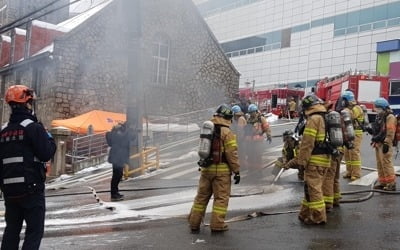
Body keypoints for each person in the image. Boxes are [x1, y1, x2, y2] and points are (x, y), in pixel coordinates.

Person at [0, 85, 57, 250]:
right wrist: (49, 137)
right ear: (27, 103)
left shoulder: (3, 130)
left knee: (12, 230)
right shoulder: (33, 127)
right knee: (34, 232)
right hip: (31, 189)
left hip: (10, 192)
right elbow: (46, 153)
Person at [188, 104, 240, 233]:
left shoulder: (208, 129)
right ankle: (217, 225)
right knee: (221, 199)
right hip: (221, 171)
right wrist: (236, 171)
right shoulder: (227, 132)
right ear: (228, 117)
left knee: (201, 197)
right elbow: (231, 154)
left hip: (206, 169)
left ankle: (194, 223)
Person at [284, 94, 331, 225]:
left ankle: (318, 217)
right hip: (325, 158)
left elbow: (307, 143)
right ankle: (304, 213)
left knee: (314, 190)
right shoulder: (325, 116)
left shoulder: (314, 119)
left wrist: (301, 162)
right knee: (310, 188)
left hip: (315, 160)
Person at [367, 98, 397, 191]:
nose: (375, 109)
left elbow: (390, 132)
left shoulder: (390, 117)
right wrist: (370, 131)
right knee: (380, 163)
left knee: (386, 163)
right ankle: (383, 182)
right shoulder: (380, 116)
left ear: (381, 107)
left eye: (376, 107)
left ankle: (391, 184)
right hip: (378, 142)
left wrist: (386, 143)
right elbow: (379, 130)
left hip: (385, 143)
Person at [340, 91, 364, 181]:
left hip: (356, 133)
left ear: (348, 100)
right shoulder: (348, 108)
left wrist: (345, 110)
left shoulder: (357, 108)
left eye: (344, 100)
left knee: (354, 153)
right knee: (347, 153)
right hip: (348, 133)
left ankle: (356, 173)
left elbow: (351, 116)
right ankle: (349, 171)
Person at [106, 122, 132, 201]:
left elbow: (128, 140)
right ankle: (114, 193)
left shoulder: (120, 135)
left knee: (119, 175)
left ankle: (115, 192)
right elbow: (111, 138)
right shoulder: (114, 135)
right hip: (116, 157)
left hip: (120, 157)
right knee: (116, 176)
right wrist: (116, 129)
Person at [244, 104, 272, 172]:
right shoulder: (249, 119)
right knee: (250, 156)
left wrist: (269, 135)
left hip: (258, 142)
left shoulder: (261, 118)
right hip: (250, 141)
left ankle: (259, 171)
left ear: (255, 111)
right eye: (250, 112)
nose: (251, 114)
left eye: (252, 112)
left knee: (258, 156)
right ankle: (251, 170)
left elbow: (266, 127)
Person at [231, 105, 247, 170]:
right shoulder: (237, 119)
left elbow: (240, 131)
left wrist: (238, 140)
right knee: (240, 154)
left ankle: (243, 167)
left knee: (241, 153)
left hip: (241, 140)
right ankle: (242, 166)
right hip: (240, 139)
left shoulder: (240, 119)